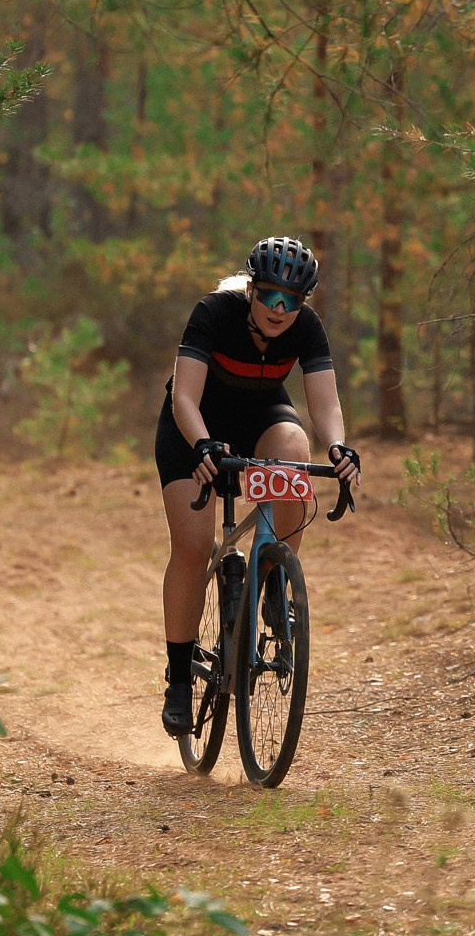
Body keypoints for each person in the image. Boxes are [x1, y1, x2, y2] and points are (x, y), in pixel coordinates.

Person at [155, 237, 361, 736]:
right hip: (194, 426)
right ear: (251, 288)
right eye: (270, 295)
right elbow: (185, 397)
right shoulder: (213, 313)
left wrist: (338, 448)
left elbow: (325, 406)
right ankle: (180, 680)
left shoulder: (306, 329)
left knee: (295, 447)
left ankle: (272, 571)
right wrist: (204, 445)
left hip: (261, 417)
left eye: (292, 301)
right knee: (194, 545)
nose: (279, 309)